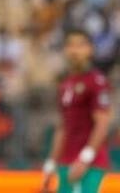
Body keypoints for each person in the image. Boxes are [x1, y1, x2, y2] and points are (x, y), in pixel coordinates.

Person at [41, 29, 112, 193]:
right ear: (65, 50)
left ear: (90, 50)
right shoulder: (66, 84)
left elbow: (102, 124)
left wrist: (85, 158)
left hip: (88, 164)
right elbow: (63, 127)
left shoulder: (96, 82)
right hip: (66, 162)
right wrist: (51, 162)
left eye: (81, 45)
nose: (75, 50)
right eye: (71, 45)